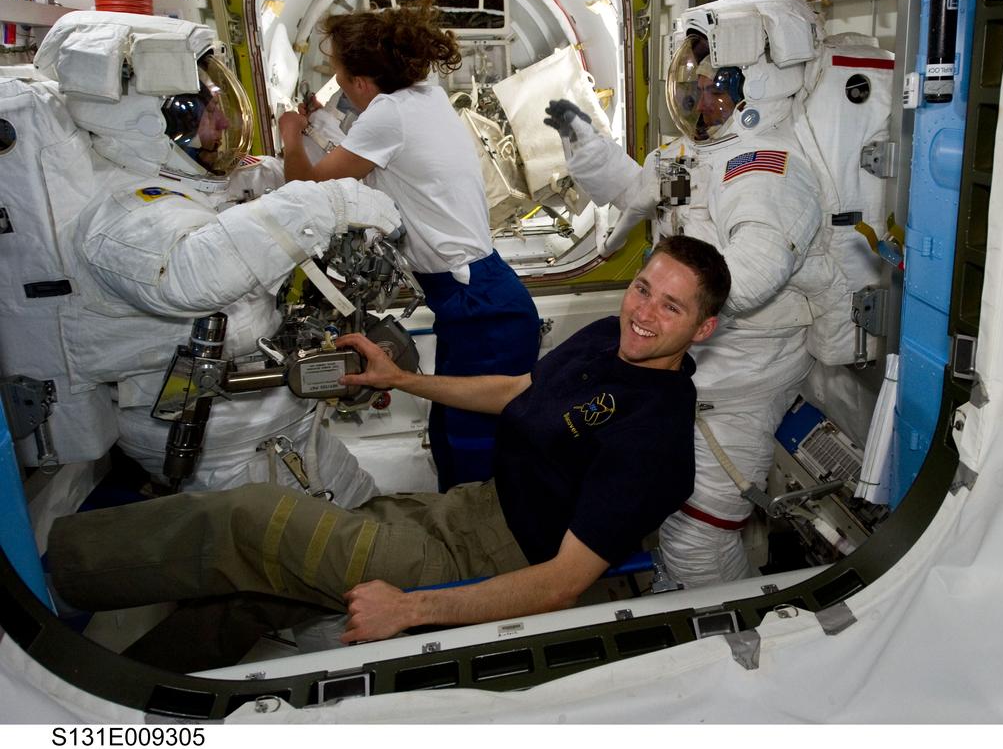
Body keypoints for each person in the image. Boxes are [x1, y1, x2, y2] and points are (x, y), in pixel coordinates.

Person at [47, 236, 730, 669]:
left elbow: (560, 586)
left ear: (704, 328)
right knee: (267, 590)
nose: (643, 311)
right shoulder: (608, 341)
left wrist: (412, 610)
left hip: (483, 561)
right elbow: (519, 390)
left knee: (248, 521)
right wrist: (402, 379)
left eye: (670, 307)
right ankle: (122, 688)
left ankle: (48, 575)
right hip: (459, 512)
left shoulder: (656, 443)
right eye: (643, 287)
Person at [544, 0, 891, 586]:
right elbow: (635, 193)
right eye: (695, 82)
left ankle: (727, 641)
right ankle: (686, 606)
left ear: (758, 90)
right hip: (695, 372)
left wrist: (657, 311)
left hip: (742, 382)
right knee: (664, 509)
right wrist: (586, 145)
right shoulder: (700, 153)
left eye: (715, 86)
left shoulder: (767, 171)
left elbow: (750, 278)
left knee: (700, 529)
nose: (699, 98)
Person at [0, 11, 401, 505]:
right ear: (160, 122)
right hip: (224, 462)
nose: (226, 122)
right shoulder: (123, 214)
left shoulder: (188, 184)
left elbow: (253, 193)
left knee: (367, 515)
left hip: (283, 431)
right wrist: (328, 204)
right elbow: (188, 272)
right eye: (210, 111)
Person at [276, 0, 541, 493]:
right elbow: (375, 155)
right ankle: (462, 541)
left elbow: (306, 189)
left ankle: (487, 550)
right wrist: (322, 124)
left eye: (336, 75)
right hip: (480, 295)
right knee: (448, 435)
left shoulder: (389, 115)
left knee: (474, 449)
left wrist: (292, 136)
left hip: (481, 308)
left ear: (359, 83)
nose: (337, 87)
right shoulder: (423, 95)